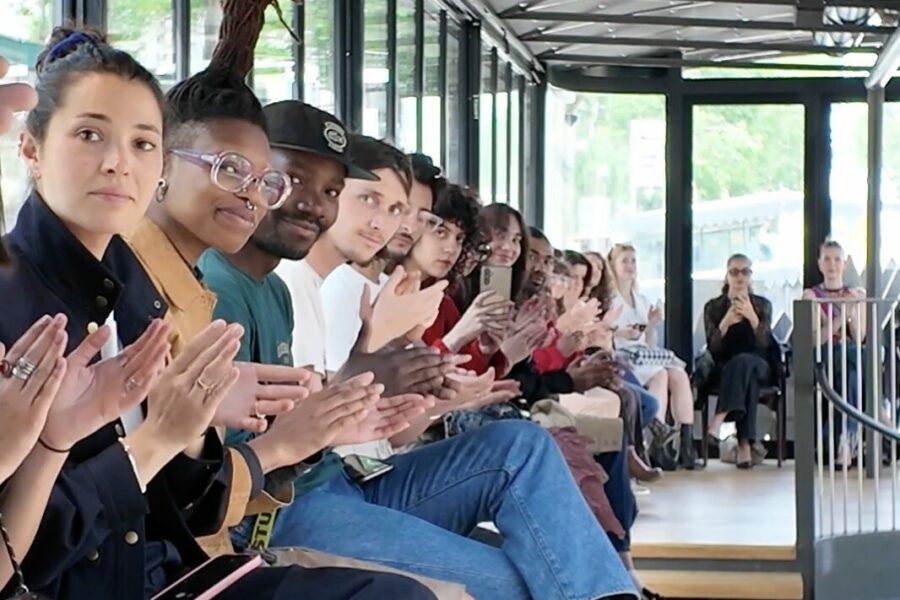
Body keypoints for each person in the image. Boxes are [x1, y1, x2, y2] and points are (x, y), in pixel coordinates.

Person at [0, 30, 436, 600]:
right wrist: (161, 438)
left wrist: (197, 430)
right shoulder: (24, 301)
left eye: (141, 143)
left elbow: (177, 507)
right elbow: (32, 556)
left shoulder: (136, 295)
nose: (118, 164)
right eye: (89, 135)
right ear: (31, 149)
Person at [203, 103, 638, 600]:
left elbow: (326, 420)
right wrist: (364, 380)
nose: (313, 204)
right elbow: (237, 461)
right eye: (371, 201)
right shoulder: (231, 286)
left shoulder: (278, 288)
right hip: (286, 511)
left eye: (331, 191)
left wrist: (373, 387)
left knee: (523, 446)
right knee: (527, 579)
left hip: (340, 481)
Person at [608, 243, 700, 470]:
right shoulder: (609, 299)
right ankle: (658, 441)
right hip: (621, 355)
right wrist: (623, 332)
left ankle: (686, 444)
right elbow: (606, 335)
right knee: (660, 375)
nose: (630, 266)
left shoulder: (641, 300)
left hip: (641, 355)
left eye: (633, 261)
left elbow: (649, 343)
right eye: (624, 261)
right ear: (613, 265)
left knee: (678, 374)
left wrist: (651, 325)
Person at [702, 254, 774, 469]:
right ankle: (744, 446)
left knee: (745, 363)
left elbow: (766, 344)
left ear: (751, 277)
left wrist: (753, 318)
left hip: (760, 363)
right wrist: (725, 324)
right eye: (734, 272)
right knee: (746, 376)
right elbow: (713, 348)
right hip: (726, 367)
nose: (740, 277)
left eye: (745, 272)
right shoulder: (714, 307)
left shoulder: (762, 305)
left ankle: (719, 418)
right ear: (727, 276)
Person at [801, 239, 866, 460]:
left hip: (849, 358)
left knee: (850, 376)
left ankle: (845, 445)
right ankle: (878, 411)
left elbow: (859, 336)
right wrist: (843, 314)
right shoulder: (811, 296)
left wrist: (853, 309)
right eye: (827, 259)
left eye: (837, 259)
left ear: (844, 265)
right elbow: (817, 339)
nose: (832, 264)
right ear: (819, 264)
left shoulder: (856, 293)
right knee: (858, 357)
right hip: (825, 357)